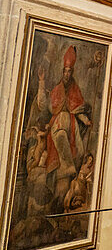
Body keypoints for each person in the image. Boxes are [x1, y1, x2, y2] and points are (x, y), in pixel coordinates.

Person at [32, 45, 91, 204]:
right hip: (57, 127)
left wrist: (86, 120)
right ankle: (66, 166)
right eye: (65, 71)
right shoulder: (57, 89)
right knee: (62, 123)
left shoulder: (75, 90)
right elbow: (43, 105)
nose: (67, 74)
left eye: (69, 71)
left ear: (72, 73)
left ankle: (70, 171)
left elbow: (78, 110)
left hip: (72, 129)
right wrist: (42, 82)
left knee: (77, 148)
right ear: (62, 72)